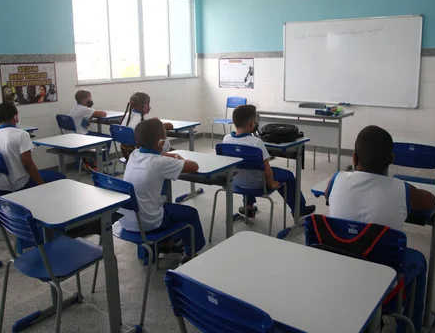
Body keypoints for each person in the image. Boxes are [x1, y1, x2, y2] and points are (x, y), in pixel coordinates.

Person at [119, 118, 205, 263]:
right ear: (160, 143)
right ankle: (191, 255)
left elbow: (155, 157)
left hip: (126, 220)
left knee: (164, 205)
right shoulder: (159, 163)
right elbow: (194, 166)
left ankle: (162, 245)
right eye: (165, 137)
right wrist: (177, 158)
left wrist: (167, 156)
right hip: (148, 222)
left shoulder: (134, 155)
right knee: (190, 213)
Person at [325, 125, 435, 231]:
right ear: (392, 159)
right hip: (383, 250)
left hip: (337, 248)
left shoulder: (336, 180)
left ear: (354, 158)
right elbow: (431, 202)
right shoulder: (404, 190)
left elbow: (327, 195)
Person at [222, 104, 315, 218]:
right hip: (258, 184)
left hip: (235, 181)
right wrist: (271, 183)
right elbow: (267, 171)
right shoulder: (256, 143)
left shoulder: (226, 140)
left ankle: (248, 207)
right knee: (288, 176)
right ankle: (299, 209)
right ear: (252, 124)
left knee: (245, 168)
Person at [0, 102, 65, 194]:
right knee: (60, 178)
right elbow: (27, 162)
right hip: (19, 184)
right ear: (16, 117)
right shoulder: (21, 134)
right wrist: (41, 183)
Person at [120, 92, 174, 162]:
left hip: (128, 155)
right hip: (144, 157)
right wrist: (159, 126)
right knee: (174, 152)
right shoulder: (143, 124)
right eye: (148, 104)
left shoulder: (125, 118)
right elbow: (162, 148)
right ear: (145, 106)